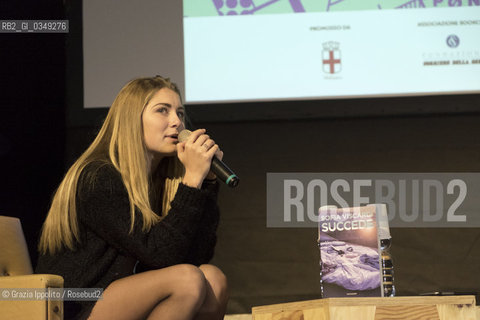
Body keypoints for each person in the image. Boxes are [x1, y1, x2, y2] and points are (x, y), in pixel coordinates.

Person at [36, 75, 228, 320]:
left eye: (180, 113)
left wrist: (208, 183)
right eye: (162, 111)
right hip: (77, 302)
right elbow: (161, 256)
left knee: (213, 279)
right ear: (132, 120)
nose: (177, 123)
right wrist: (191, 182)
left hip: (125, 296)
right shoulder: (98, 177)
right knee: (187, 280)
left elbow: (193, 257)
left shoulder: (161, 181)